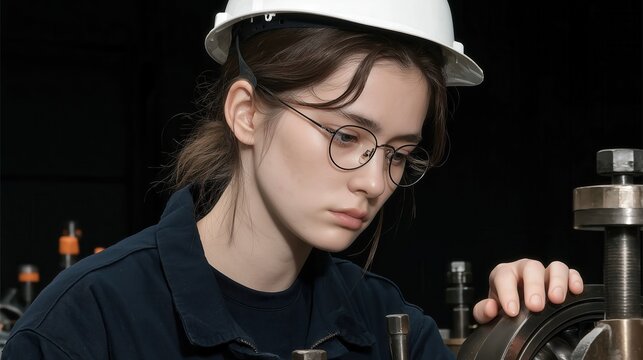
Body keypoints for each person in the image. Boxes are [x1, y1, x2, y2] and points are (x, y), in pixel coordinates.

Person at [2, 1, 584, 359]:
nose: (376, 182)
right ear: (247, 113)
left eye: (399, 153)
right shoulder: (83, 329)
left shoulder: (390, 332)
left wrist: (528, 333)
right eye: (346, 136)